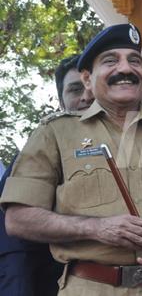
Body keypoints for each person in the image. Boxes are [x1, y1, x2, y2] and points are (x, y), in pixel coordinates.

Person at [0, 24, 142, 295]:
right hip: (91, 287)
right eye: (110, 61)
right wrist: (95, 228)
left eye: (134, 60)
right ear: (88, 80)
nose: (125, 69)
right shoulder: (55, 132)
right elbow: (18, 219)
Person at [0, 54, 93, 295]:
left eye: (91, 86)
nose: (86, 97)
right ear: (61, 102)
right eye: (75, 89)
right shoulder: (39, 153)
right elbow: (13, 247)